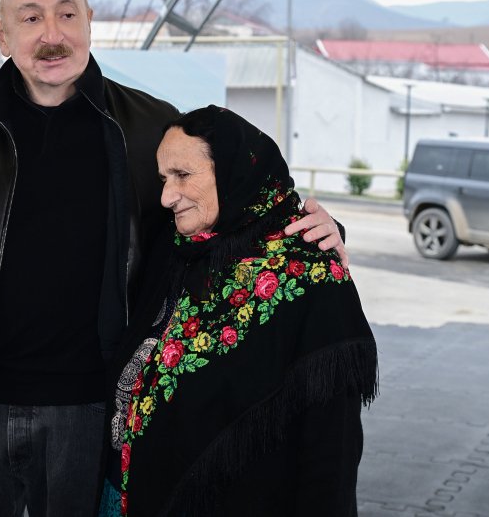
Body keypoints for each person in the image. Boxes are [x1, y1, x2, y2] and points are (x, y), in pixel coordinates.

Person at [0, 0, 347, 517]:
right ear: (2, 34)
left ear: (89, 21)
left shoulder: (149, 127)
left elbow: (226, 213)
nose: (52, 34)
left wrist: (310, 232)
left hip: (94, 410)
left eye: (67, 15)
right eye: (30, 18)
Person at [101, 106, 377, 517]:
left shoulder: (310, 277)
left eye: (183, 175)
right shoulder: (179, 248)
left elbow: (330, 450)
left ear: (234, 172)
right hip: (126, 494)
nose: (166, 196)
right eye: (163, 179)